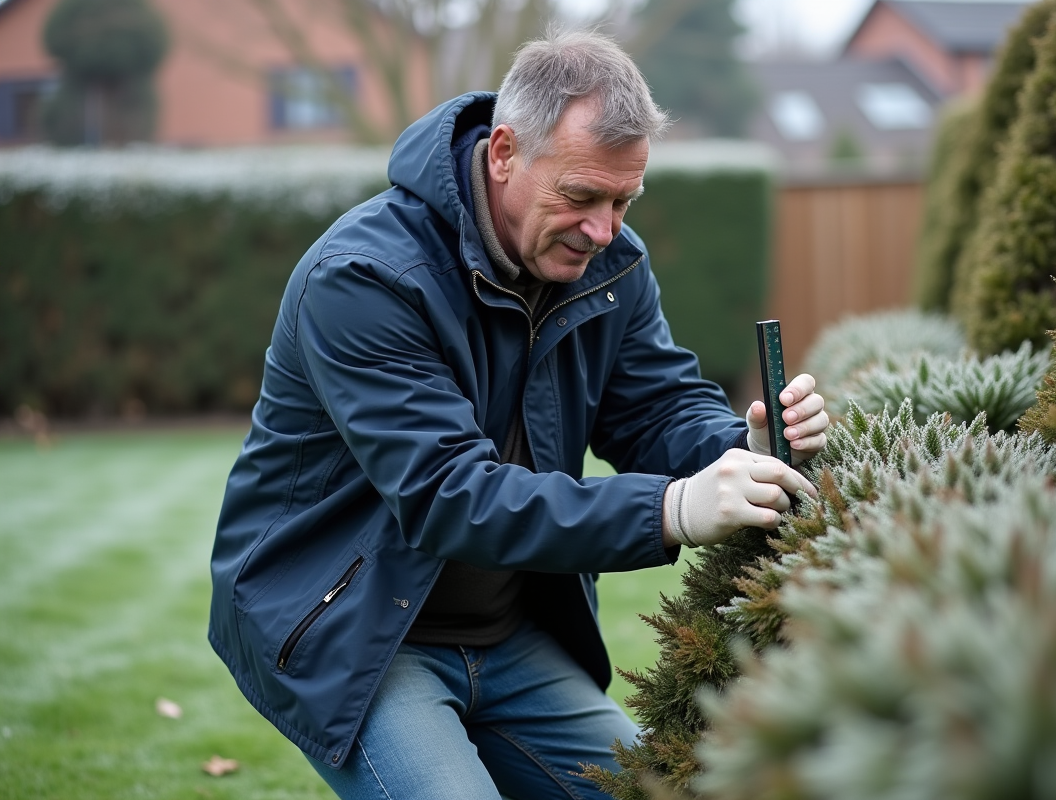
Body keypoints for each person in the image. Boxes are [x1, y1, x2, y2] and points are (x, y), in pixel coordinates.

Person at [208, 29, 829, 800]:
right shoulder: (364, 280)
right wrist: (674, 507)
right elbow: (448, 495)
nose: (604, 230)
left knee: (667, 790)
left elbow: (655, 410)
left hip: (507, 632)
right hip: (357, 635)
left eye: (624, 199)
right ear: (504, 152)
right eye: (581, 197)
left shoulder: (607, 262)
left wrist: (741, 446)